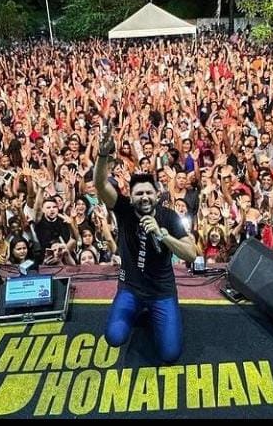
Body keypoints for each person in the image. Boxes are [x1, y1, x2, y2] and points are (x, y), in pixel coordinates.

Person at [94, 122, 196, 364]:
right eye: (139, 193)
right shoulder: (124, 210)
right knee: (114, 337)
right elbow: (100, 185)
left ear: (157, 195)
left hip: (161, 291)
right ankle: (139, 311)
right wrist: (103, 155)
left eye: (149, 192)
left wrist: (164, 236)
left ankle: (154, 314)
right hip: (130, 289)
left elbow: (191, 254)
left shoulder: (169, 217)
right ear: (131, 197)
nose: (145, 197)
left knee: (170, 355)